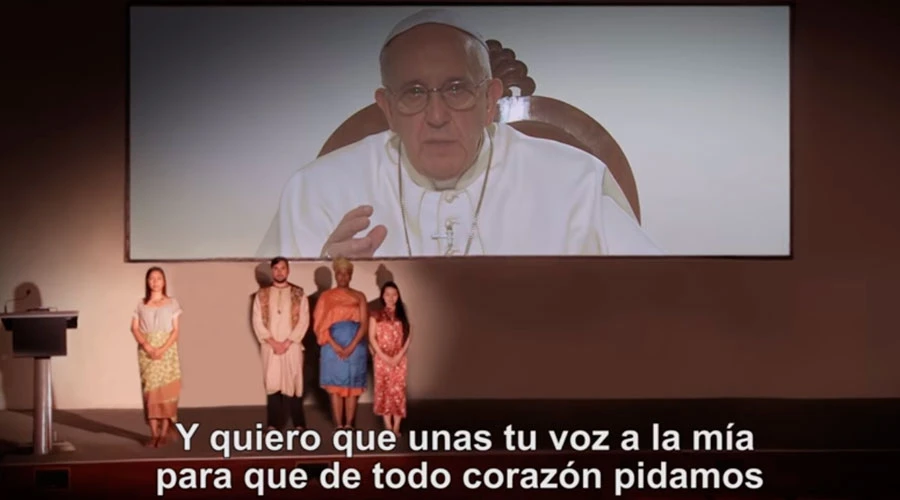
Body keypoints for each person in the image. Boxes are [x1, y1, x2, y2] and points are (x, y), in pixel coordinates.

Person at [257, 8, 663, 259]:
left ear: (490, 100)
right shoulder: (317, 192)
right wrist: (321, 283)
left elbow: (654, 304)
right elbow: (261, 329)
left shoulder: (576, 183)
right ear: (388, 109)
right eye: (414, 93)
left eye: (457, 90)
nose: (437, 116)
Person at [251, 257, 310, 430]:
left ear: (288, 270)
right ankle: (273, 424)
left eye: (282, 268)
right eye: (276, 269)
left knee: (294, 383)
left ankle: (299, 423)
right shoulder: (262, 295)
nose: (279, 272)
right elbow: (257, 321)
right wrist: (272, 342)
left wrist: (287, 342)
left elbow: (304, 320)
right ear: (272, 271)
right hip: (270, 347)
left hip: (292, 345)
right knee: (272, 384)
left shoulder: (298, 294)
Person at [312, 257, 369, 429]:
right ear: (335, 275)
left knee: (352, 384)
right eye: (340, 273)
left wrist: (352, 345)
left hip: (355, 344)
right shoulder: (326, 297)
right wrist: (335, 345)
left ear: (350, 276)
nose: (343, 277)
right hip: (332, 344)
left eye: (346, 274)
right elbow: (320, 323)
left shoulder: (359, 296)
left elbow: (364, 323)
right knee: (335, 385)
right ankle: (338, 425)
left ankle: (349, 424)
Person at [131, 266, 183, 448]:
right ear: (147, 282)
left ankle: (164, 433)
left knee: (166, 392)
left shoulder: (172, 303)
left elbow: (175, 331)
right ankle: (153, 434)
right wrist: (147, 346)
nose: (155, 282)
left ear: (164, 281)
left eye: (159, 278)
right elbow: (134, 328)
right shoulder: (141, 304)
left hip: (167, 351)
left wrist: (162, 349)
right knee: (151, 393)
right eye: (152, 278)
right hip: (147, 351)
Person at [369, 281, 411, 436]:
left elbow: (408, 336)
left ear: (398, 296)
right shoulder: (375, 315)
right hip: (381, 359)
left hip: (399, 359)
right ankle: (388, 426)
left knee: (398, 392)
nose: (391, 297)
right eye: (387, 294)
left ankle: (396, 426)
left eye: (394, 294)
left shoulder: (402, 315)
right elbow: (372, 338)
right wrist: (383, 357)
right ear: (383, 296)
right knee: (384, 391)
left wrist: (399, 356)